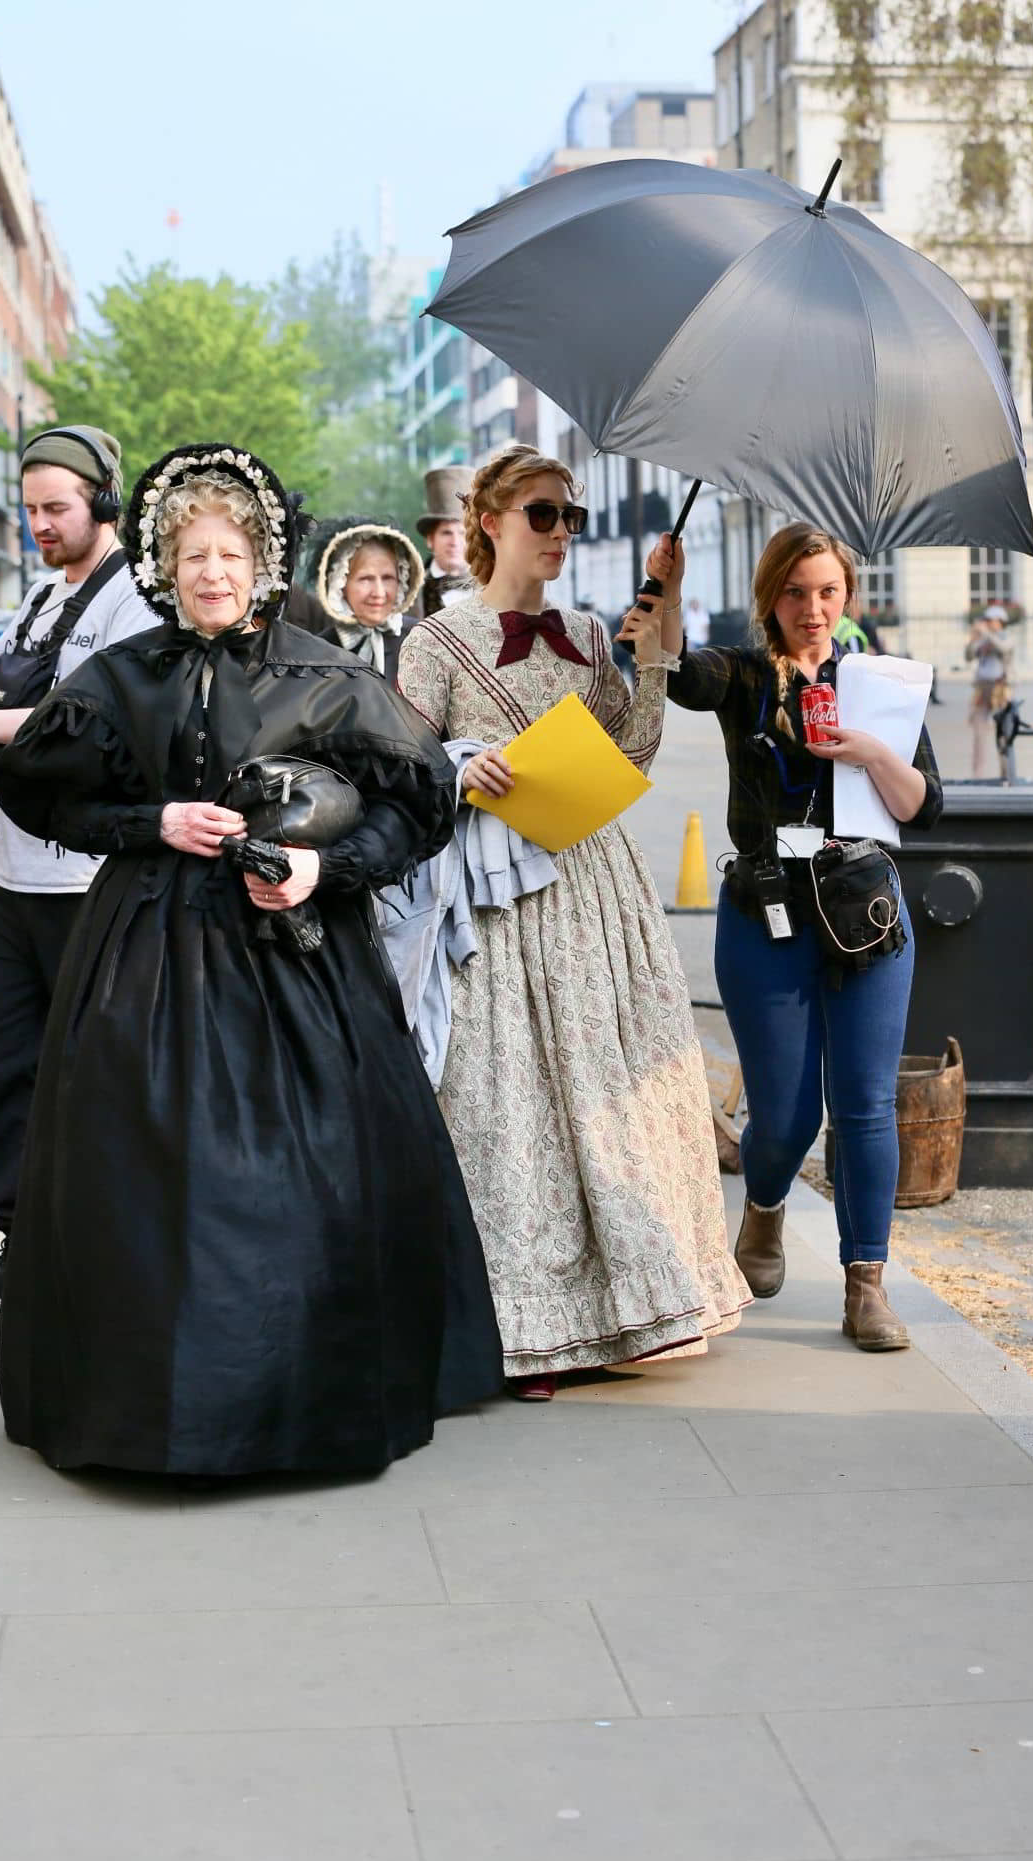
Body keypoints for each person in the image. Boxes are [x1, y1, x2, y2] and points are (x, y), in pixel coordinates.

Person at [0, 442, 502, 1476]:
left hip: (294, 957)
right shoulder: (119, 677)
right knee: (144, 1166)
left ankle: (298, 1388)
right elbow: (36, 790)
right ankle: (141, 1400)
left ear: (262, 561)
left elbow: (419, 802)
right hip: (142, 951)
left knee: (302, 1164)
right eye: (191, 558)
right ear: (164, 570)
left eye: (228, 553)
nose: (211, 574)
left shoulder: (324, 676)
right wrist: (150, 822)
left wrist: (324, 870)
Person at [397, 444, 749, 1400]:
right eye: (543, 514)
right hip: (496, 898)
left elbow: (630, 754)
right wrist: (460, 769)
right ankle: (524, 1328)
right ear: (491, 521)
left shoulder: (594, 634)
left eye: (571, 517)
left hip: (594, 885)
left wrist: (654, 642)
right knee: (508, 1106)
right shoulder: (436, 640)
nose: (560, 532)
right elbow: (397, 764)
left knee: (616, 1097)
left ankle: (630, 1309)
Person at [666, 522, 943, 1352]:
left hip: (865, 908)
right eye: (794, 592)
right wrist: (669, 592)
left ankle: (867, 1286)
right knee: (785, 1116)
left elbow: (924, 806)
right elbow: (683, 678)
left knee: (863, 1106)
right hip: (767, 906)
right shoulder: (746, 675)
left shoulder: (881, 685)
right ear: (769, 599)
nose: (812, 608)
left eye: (826, 591)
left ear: (847, 594)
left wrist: (866, 751)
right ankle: (764, 1209)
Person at [0, 424, 152, 1313]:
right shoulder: (43, 597)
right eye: (31, 509)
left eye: (57, 508)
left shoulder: (139, 602)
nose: (41, 524)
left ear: (105, 503)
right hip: (14, 874)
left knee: (93, 1073)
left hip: (92, 878)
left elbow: (100, 720)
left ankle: (103, 1251)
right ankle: (23, 1244)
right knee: (0, 1065)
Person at [312, 517, 424, 686]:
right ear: (339, 583)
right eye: (365, 579)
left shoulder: (423, 640)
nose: (379, 592)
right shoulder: (318, 652)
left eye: (388, 578)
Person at [417, 466, 475, 617]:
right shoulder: (412, 592)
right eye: (446, 533)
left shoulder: (495, 586)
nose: (455, 541)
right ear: (430, 539)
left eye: (463, 533)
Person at [965, 602, 1012, 776]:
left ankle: (1006, 772)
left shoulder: (1006, 637)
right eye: (986, 620)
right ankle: (977, 773)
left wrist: (987, 634)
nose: (987, 623)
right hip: (982, 687)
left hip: (1000, 688)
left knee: (1003, 732)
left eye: (991, 620)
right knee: (979, 732)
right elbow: (969, 656)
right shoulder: (983, 638)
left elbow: (1004, 648)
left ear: (1000, 621)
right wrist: (973, 639)